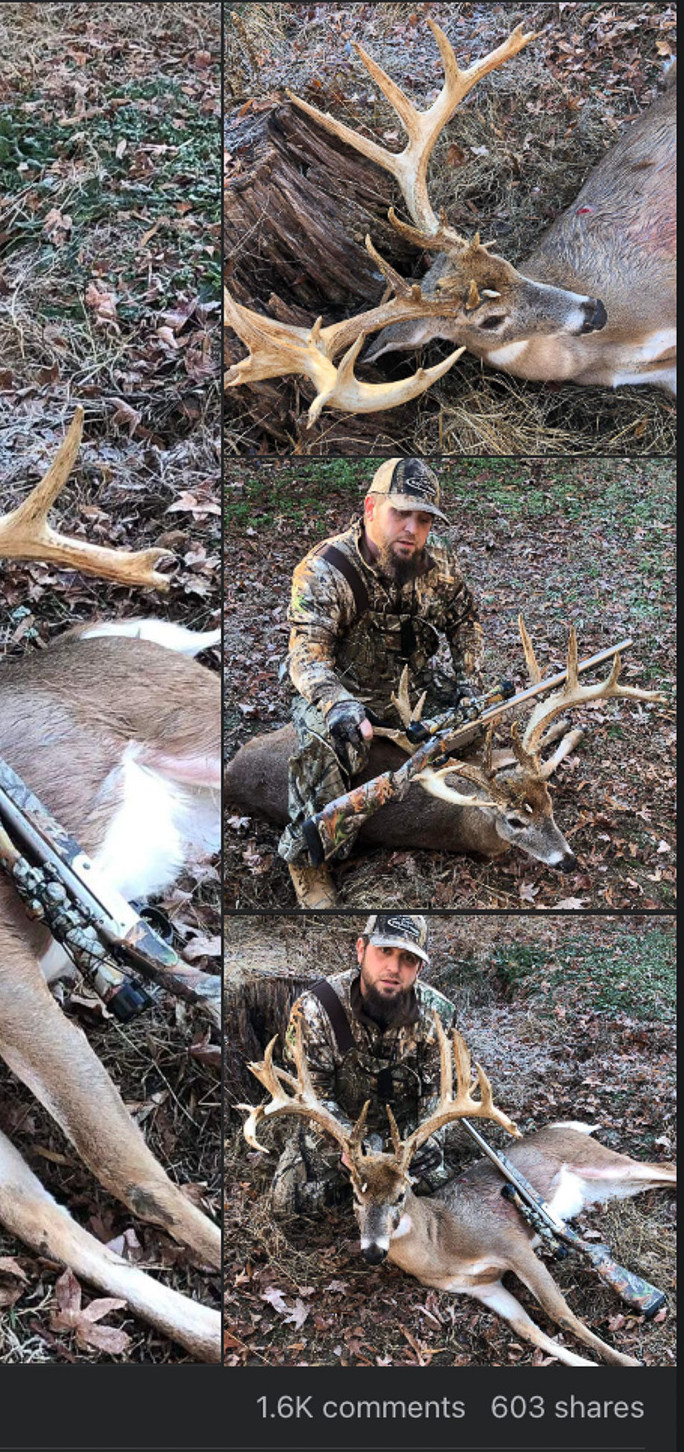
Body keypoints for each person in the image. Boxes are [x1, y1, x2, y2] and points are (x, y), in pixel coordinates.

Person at [277, 457, 483, 907]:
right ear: (371, 508)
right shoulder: (324, 570)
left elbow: (466, 620)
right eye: (401, 514)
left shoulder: (438, 565)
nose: (412, 528)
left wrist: (470, 681)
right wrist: (339, 706)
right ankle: (306, 862)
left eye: (424, 519)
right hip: (339, 688)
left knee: (476, 722)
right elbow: (307, 656)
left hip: (408, 685)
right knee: (328, 748)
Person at [269, 913, 459, 1221]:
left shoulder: (438, 1014)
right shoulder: (318, 1008)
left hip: (404, 1141)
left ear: (420, 968)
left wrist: (428, 1141)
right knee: (289, 1203)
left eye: (408, 959)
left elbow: (441, 1092)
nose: (393, 968)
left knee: (445, 1197)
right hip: (340, 1137)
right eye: (384, 951)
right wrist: (348, 1144)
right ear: (360, 950)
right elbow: (312, 1094)